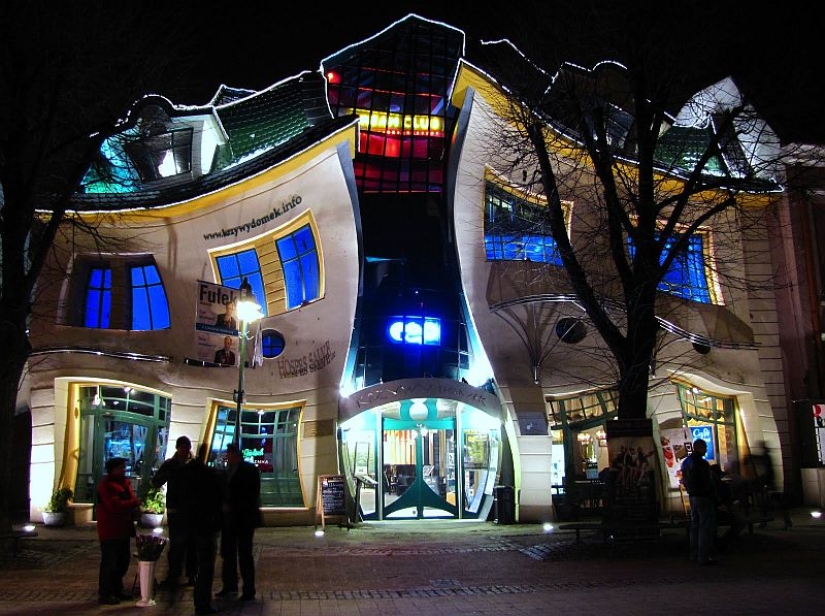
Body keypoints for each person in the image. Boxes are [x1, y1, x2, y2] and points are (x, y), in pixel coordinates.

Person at [178, 443, 225, 616]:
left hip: (188, 524)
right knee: (206, 566)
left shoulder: (184, 472)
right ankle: (202, 602)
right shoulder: (210, 475)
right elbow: (217, 499)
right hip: (205, 525)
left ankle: (188, 580)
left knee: (192, 559)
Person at [217, 443, 262, 602]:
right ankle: (229, 585)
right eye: (227, 454)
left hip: (243, 518)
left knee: (244, 554)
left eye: (230, 454)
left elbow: (252, 494)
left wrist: (233, 505)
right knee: (228, 553)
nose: (228, 457)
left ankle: (248, 589)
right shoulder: (225, 472)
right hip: (228, 520)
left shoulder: (249, 470)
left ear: (237, 454)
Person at [152, 435, 196, 589]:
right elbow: (156, 481)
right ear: (178, 448)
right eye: (183, 447)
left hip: (191, 511)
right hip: (176, 510)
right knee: (177, 545)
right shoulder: (170, 464)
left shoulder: (193, 465)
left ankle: (191, 575)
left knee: (191, 545)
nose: (185, 451)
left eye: (187, 448)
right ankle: (174, 575)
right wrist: (168, 474)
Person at [96, 457, 140, 605]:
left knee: (123, 561)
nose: (124, 469)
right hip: (110, 529)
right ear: (113, 469)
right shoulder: (107, 485)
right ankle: (106, 592)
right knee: (110, 562)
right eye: (121, 467)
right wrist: (134, 502)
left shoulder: (125, 483)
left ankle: (117, 588)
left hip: (123, 528)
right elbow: (114, 506)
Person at [680, 438, 717, 565]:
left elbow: (685, 479)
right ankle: (703, 556)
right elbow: (707, 482)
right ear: (700, 448)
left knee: (695, 525)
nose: (706, 450)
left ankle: (694, 553)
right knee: (704, 525)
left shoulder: (685, 462)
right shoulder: (702, 463)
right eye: (705, 447)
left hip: (692, 496)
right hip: (703, 496)